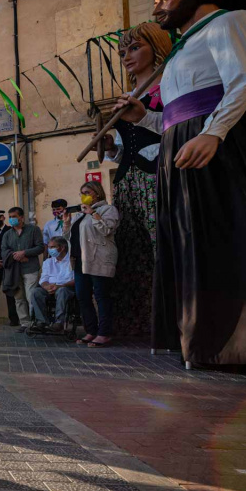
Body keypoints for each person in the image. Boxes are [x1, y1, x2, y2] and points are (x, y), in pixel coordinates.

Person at [115, 0, 246, 367]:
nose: (158, 6)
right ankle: (207, 344)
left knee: (236, 236)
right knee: (196, 244)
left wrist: (213, 132)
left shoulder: (230, 21)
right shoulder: (180, 50)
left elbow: (243, 80)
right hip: (183, 146)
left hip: (221, 143)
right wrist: (147, 117)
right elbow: (177, 113)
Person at [101, 23, 170, 337]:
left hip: (155, 176)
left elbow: (180, 128)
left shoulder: (168, 83)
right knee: (132, 251)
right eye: (122, 51)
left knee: (160, 247)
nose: (126, 56)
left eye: (134, 48)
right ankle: (140, 323)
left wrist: (143, 115)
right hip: (126, 179)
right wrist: (110, 148)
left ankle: (170, 322)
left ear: (155, 46)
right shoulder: (128, 94)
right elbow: (125, 146)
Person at [64, 182, 119, 347]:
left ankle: (104, 333)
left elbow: (107, 230)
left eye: (87, 192)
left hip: (99, 259)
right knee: (83, 297)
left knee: (102, 296)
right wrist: (67, 223)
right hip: (80, 261)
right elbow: (70, 238)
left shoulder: (107, 210)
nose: (83, 195)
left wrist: (93, 213)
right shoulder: (80, 214)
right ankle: (91, 330)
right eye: (81, 192)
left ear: (97, 193)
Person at [1, 207, 44, 332]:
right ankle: (25, 323)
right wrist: (17, 255)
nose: (12, 219)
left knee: (31, 296)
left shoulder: (33, 230)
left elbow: (40, 247)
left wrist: (25, 253)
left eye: (14, 216)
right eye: (10, 217)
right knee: (19, 298)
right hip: (15, 270)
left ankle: (36, 322)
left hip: (30, 268)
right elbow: (4, 251)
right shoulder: (7, 234)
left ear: (21, 217)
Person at [30, 237, 76, 330]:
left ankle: (59, 322)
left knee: (62, 291)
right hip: (50, 288)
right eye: (49, 247)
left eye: (53, 247)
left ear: (62, 247)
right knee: (36, 292)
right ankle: (41, 321)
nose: (50, 250)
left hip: (66, 288)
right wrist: (47, 286)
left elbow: (75, 280)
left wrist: (60, 286)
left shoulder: (71, 262)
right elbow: (43, 279)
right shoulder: (48, 262)